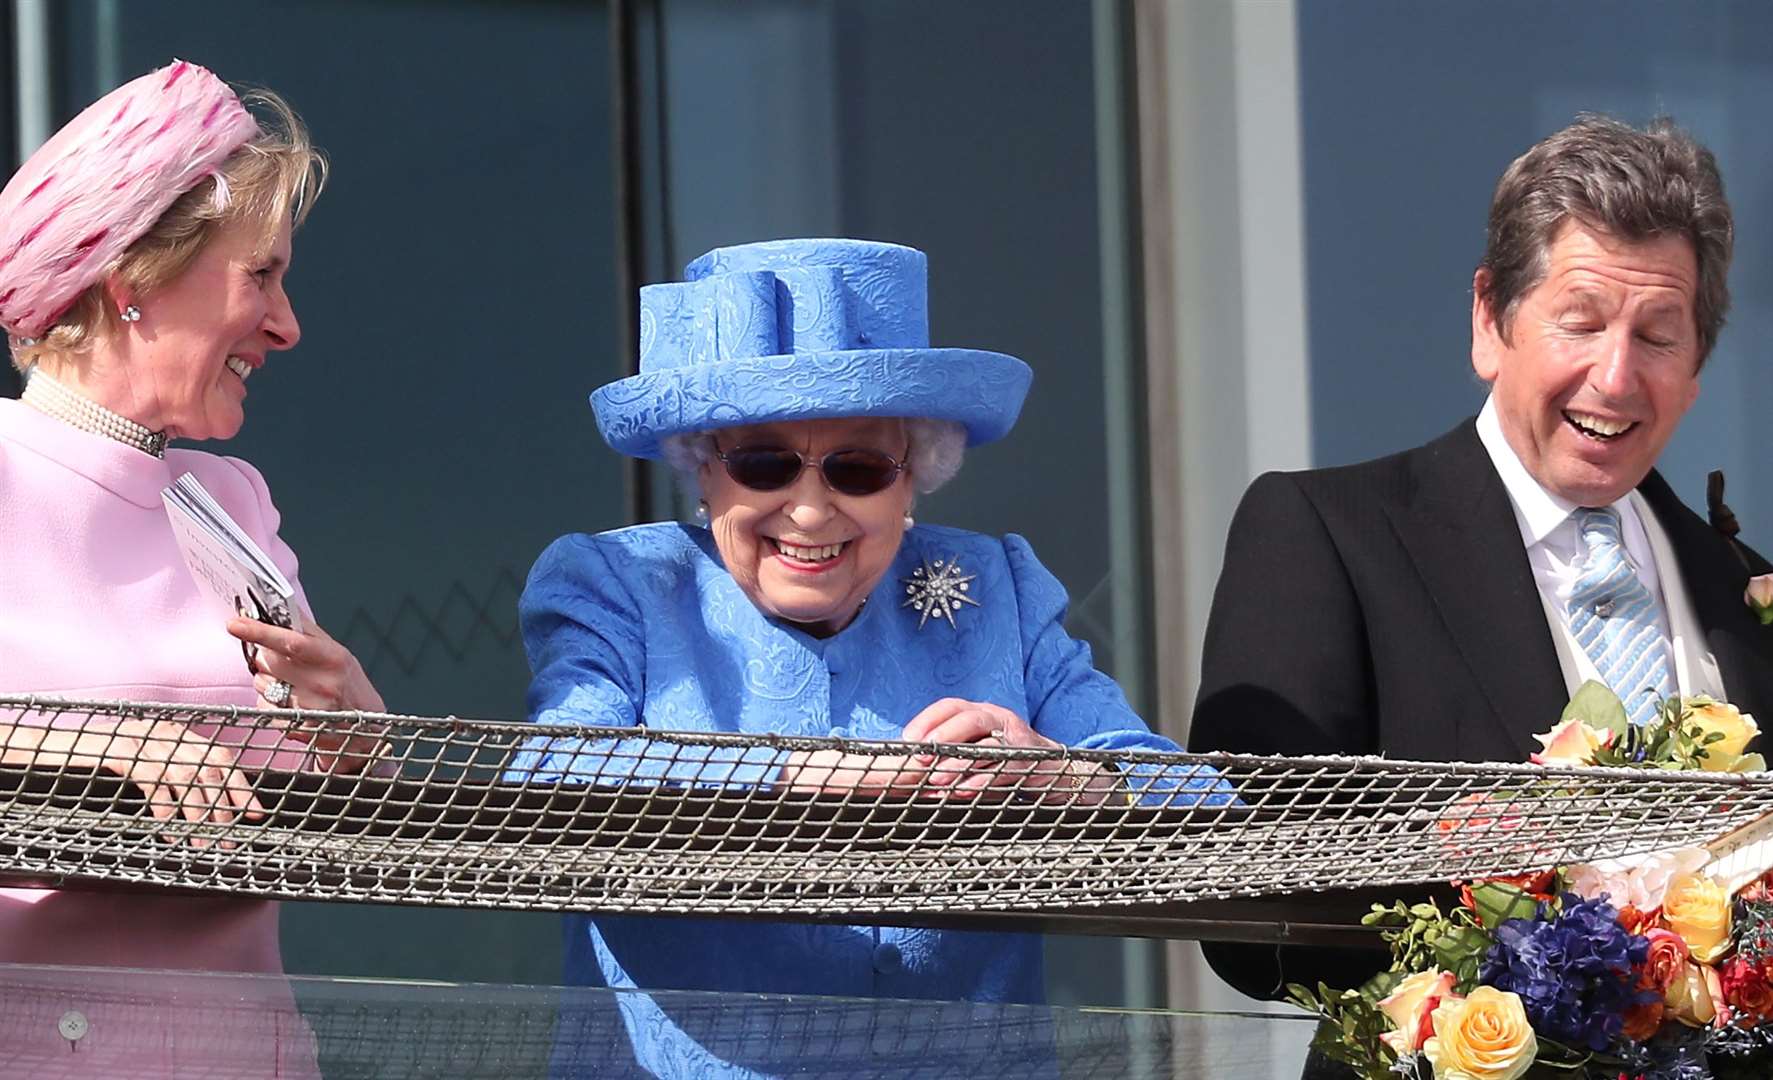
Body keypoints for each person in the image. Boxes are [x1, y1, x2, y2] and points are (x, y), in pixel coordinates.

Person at [517, 238, 1228, 1077]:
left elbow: (1202, 804)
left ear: (914, 476)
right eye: (763, 462)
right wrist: (798, 780)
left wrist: (1057, 774)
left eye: (858, 469)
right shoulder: (623, 583)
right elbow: (553, 776)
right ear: (701, 469)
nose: (811, 512)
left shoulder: (994, 583)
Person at [1187, 114, 1773, 1056]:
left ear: (1696, 366)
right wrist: (1481, 864)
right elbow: (1245, 916)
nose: (1614, 377)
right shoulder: (1328, 534)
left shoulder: (1742, 587)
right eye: (1578, 322)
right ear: (1489, 319)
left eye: (1657, 335)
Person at [0, 60, 383, 1073]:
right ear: (133, 281)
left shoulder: (229, 503)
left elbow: (353, 813)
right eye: (260, 276)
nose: (287, 324)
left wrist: (353, 726)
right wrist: (107, 754)